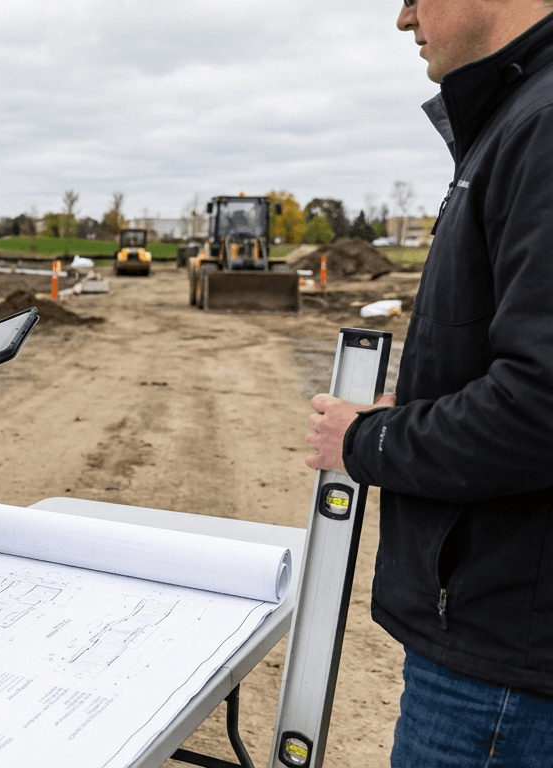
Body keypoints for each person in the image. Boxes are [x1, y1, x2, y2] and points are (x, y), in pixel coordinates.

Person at [305, 0, 553, 764]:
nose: (404, 18)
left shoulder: (541, 123)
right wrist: (413, 407)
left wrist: (364, 439)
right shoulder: (516, 117)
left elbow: (540, 408)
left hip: (506, 662)